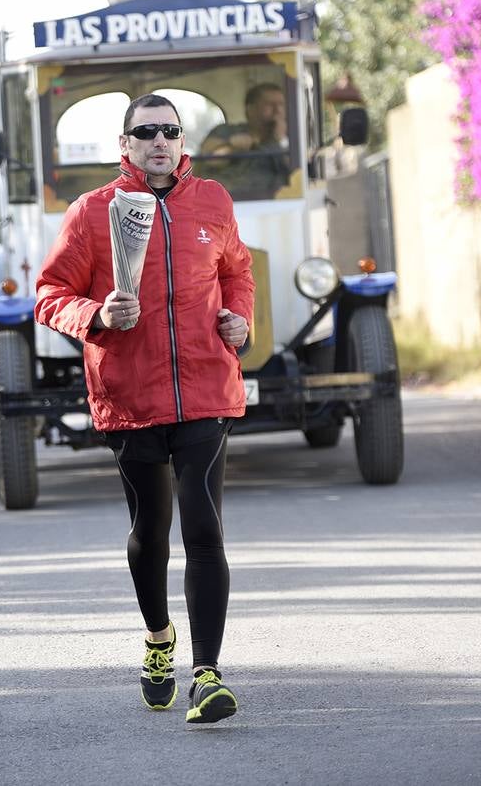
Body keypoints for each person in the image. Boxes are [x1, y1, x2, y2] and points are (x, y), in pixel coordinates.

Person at [34, 93, 254, 724]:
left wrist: (240, 320)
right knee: (149, 532)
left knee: (204, 528)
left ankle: (207, 675)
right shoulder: (93, 213)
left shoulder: (212, 201)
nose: (160, 141)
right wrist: (96, 315)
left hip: (207, 391)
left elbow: (237, 272)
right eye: (146, 132)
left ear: (184, 143)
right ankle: (159, 638)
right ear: (124, 145)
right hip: (130, 395)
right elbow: (51, 293)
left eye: (171, 132)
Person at [200, 82, 292, 199]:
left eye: (281, 105)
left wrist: (281, 140)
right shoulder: (226, 131)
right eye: (270, 105)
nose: (278, 110)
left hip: (275, 203)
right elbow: (210, 158)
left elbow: (298, 175)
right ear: (251, 109)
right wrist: (232, 146)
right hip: (228, 202)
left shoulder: (291, 138)